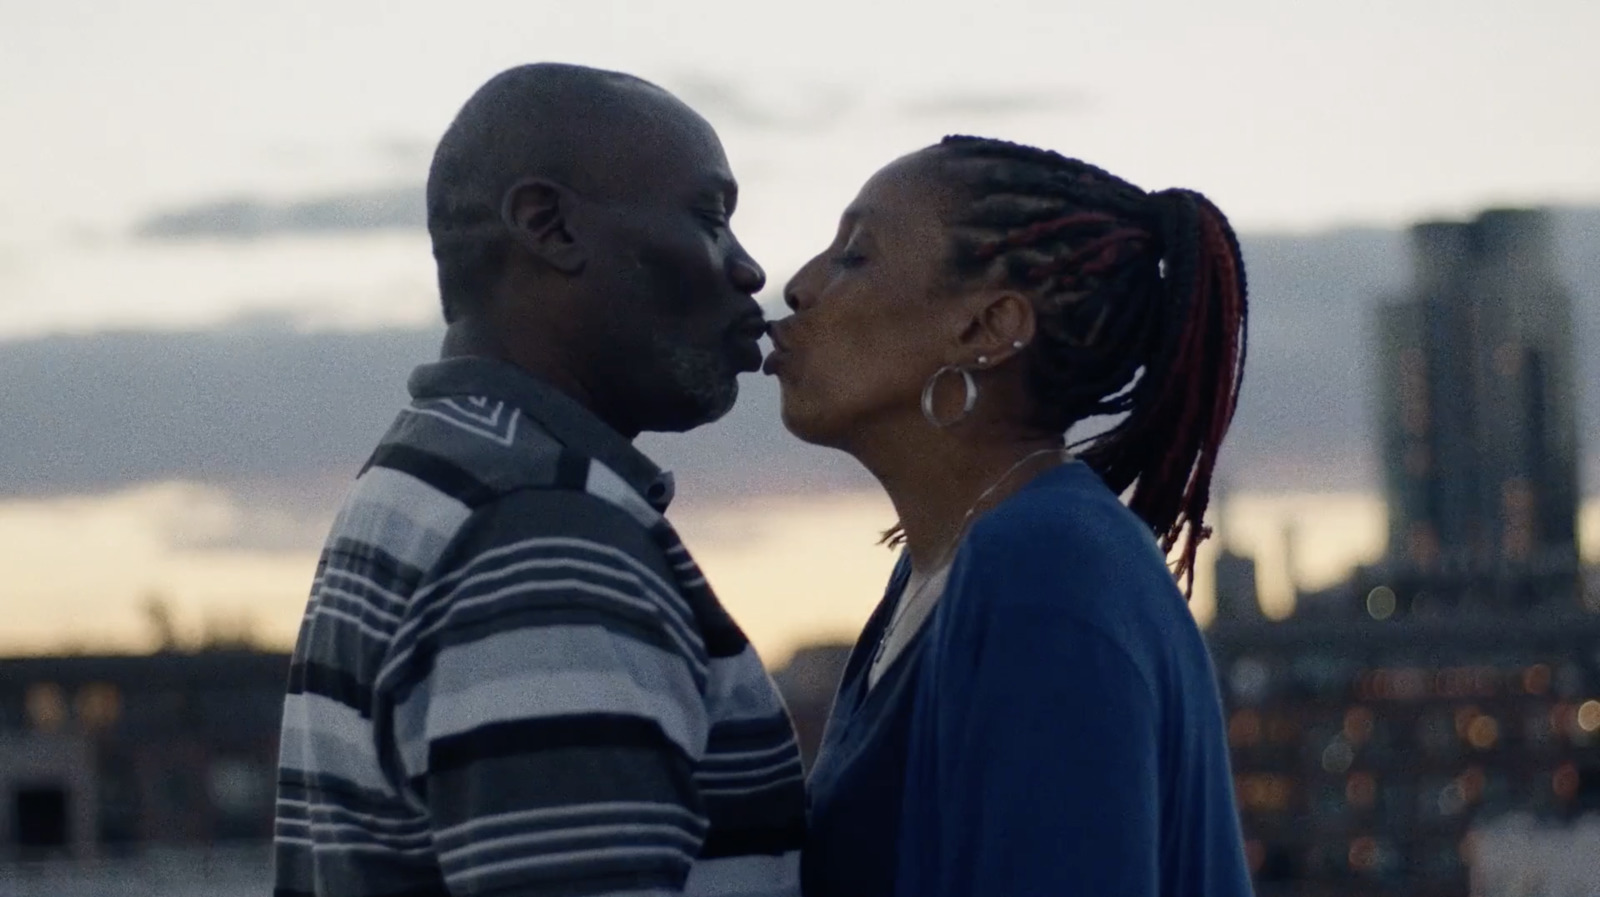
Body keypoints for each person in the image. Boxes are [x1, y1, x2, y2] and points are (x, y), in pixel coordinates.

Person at [272, 64, 806, 897]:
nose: (749, 271)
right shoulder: (544, 528)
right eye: (709, 217)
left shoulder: (440, 473)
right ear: (548, 224)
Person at [770, 136, 1254, 896]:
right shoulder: (937, 572)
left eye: (855, 256)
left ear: (988, 327)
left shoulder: (1045, 569)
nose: (799, 286)